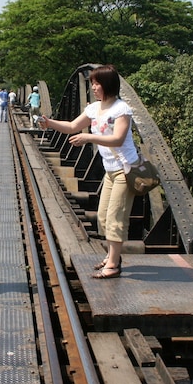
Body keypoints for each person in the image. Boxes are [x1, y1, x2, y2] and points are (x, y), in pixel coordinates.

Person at [37, 65, 135, 279]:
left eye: (97, 83)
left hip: (124, 170)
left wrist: (88, 137)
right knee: (102, 216)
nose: (93, 87)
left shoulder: (121, 109)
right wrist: (49, 123)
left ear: (107, 85)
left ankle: (113, 264)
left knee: (115, 217)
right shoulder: (94, 109)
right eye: (92, 83)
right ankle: (112, 257)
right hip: (110, 171)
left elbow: (117, 139)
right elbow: (72, 126)